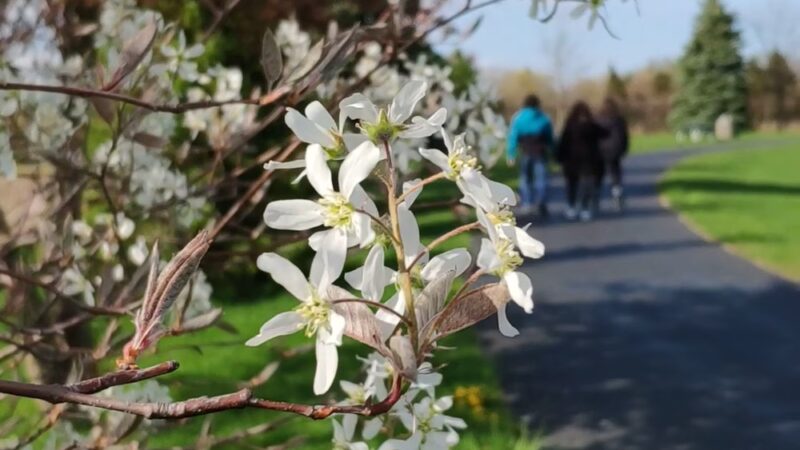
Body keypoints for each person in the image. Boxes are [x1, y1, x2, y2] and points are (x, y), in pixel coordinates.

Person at [556, 101, 607, 221]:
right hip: (588, 160)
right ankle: (585, 208)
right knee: (586, 185)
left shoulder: (569, 126)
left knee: (572, 184)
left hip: (571, 160)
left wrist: (559, 157)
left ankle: (572, 207)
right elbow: (605, 133)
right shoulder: (592, 126)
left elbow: (563, 143)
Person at [506, 94, 554, 217]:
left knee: (525, 178)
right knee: (541, 179)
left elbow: (513, 137)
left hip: (525, 151)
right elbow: (549, 137)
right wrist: (553, 150)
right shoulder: (543, 118)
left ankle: (527, 203)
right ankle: (541, 202)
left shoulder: (518, 117)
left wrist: (511, 154)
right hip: (540, 152)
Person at [596, 98, 630, 211]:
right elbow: (625, 136)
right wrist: (624, 149)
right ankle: (617, 195)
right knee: (616, 174)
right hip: (616, 150)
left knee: (599, 174)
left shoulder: (598, 119)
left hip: (601, 150)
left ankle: (595, 197)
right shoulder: (619, 120)